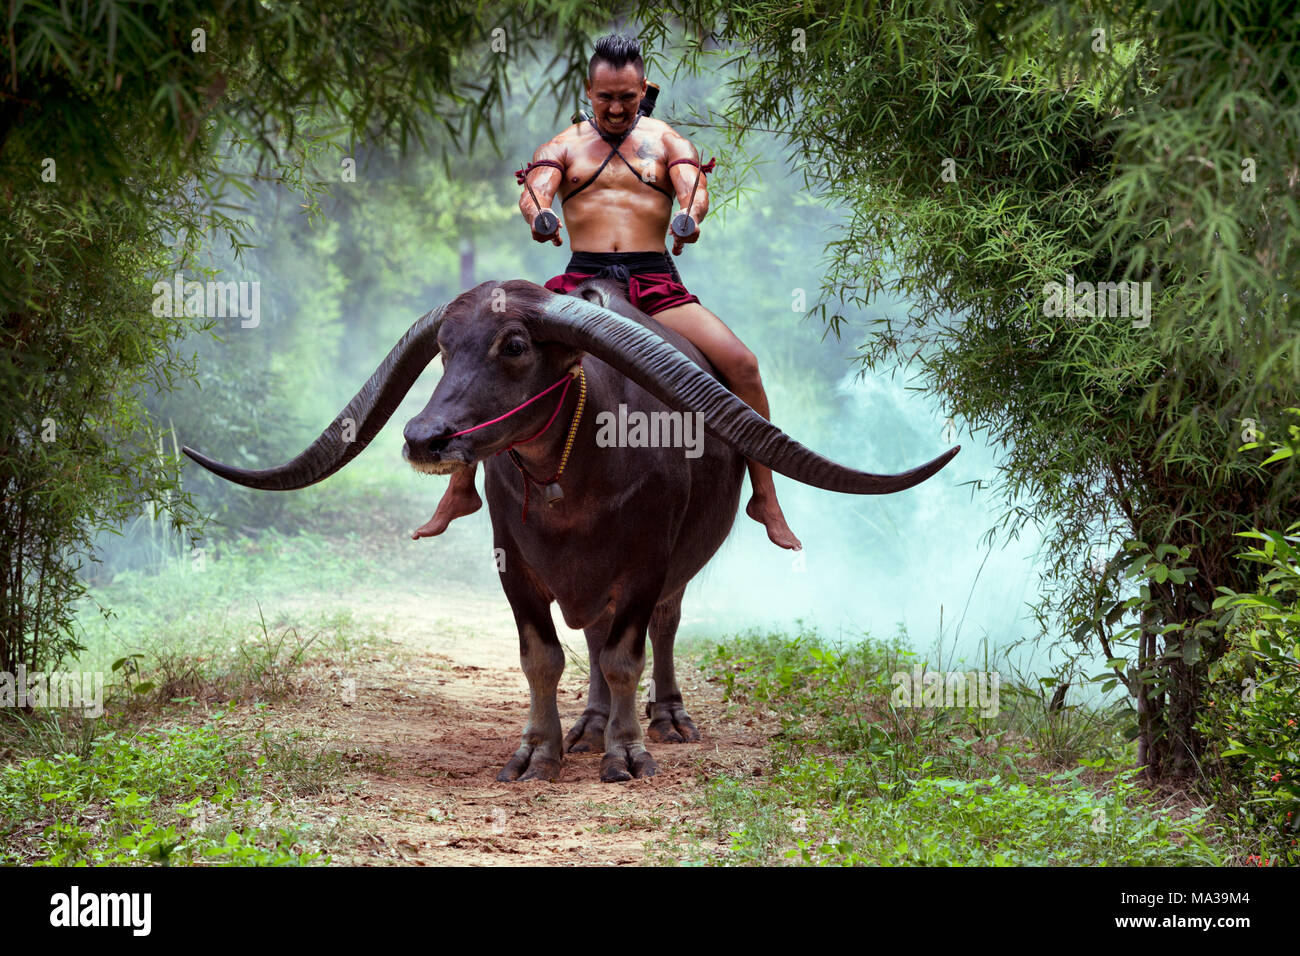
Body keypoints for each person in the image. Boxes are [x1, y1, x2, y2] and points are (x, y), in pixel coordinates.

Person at [412, 33, 802, 550]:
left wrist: (688, 216)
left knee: (743, 364)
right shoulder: (564, 145)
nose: (616, 107)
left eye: (627, 96)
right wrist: (541, 215)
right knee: (484, 347)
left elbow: (694, 189)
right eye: (605, 97)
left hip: (654, 282)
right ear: (589, 91)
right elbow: (535, 191)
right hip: (580, 287)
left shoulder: (668, 143)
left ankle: (765, 495)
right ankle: (461, 488)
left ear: (644, 89)